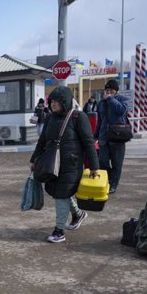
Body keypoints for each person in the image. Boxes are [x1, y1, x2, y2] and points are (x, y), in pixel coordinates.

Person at [30, 86, 99, 243]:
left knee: (62, 195)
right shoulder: (49, 118)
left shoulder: (78, 117)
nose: (53, 104)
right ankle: (78, 214)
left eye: (57, 101)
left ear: (65, 102)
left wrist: (94, 166)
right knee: (59, 193)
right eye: (51, 101)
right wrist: (34, 159)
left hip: (71, 165)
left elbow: (89, 143)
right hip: (52, 163)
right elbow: (42, 141)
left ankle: (59, 230)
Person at [94, 79, 129, 194]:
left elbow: (121, 111)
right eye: (107, 90)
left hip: (118, 137)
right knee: (102, 161)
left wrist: (110, 99)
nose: (108, 92)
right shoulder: (101, 103)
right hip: (104, 138)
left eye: (111, 90)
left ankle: (113, 184)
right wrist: (96, 136)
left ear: (116, 91)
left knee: (117, 164)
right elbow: (100, 121)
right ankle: (108, 180)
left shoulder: (122, 100)